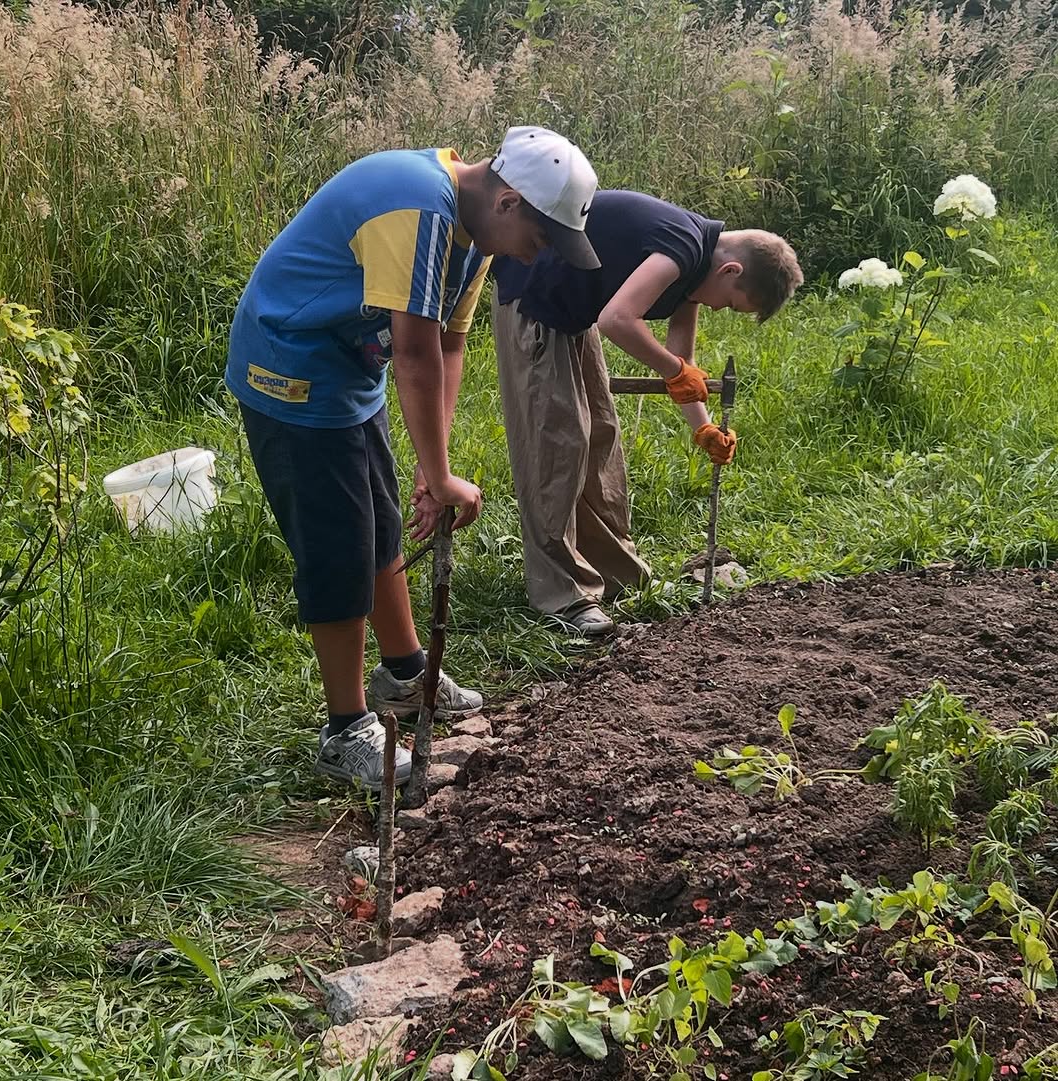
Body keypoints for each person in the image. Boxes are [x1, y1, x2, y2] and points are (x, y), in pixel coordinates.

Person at [225, 126, 600, 790]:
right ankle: (344, 730)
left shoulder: (476, 234)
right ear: (510, 201)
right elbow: (415, 353)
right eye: (540, 239)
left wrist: (436, 469)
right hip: (291, 366)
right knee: (338, 544)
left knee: (379, 516)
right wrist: (445, 475)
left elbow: (449, 345)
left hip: (347, 367)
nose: (537, 255)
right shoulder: (420, 204)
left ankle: (403, 671)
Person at [491, 189, 803, 637]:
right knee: (558, 444)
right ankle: (563, 596)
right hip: (535, 305)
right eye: (731, 302)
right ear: (730, 270)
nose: (719, 308)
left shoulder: (696, 266)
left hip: (573, 315)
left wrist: (704, 429)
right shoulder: (682, 246)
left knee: (600, 435)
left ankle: (614, 572)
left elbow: (682, 362)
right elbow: (618, 320)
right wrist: (675, 370)